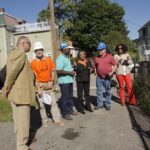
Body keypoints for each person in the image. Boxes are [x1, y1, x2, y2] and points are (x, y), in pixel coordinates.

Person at [2, 36, 35, 150]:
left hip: (16, 93)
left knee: (18, 121)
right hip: (21, 94)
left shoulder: (13, 54)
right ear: (23, 44)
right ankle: (22, 146)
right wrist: (5, 88)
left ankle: (21, 141)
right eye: (29, 43)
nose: (30, 45)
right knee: (24, 122)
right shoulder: (21, 54)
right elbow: (12, 73)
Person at [31, 42, 64, 127]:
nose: (38, 51)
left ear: (42, 50)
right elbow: (34, 77)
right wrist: (38, 88)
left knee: (53, 103)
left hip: (49, 84)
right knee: (41, 105)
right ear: (35, 52)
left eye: (40, 50)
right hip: (40, 85)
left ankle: (57, 119)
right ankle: (44, 121)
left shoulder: (49, 60)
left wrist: (52, 81)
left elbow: (53, 70)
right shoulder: (33, 63)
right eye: (36, 50)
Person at [56, 42, 78, 120]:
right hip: (64, 82)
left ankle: (70, 110)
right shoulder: (60, 58)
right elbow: (58, 71)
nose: (69, 50)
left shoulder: (67, 58)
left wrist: (72, 71)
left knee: (70, 97)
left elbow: (66, 69)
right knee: (65, 98)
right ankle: (65, 113)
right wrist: (70, 72)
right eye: (68, 48)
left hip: (69, 80)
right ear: (63, 49)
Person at [94, 42, 117, 110]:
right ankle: (100, 104)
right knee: (99, 91)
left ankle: (107, 104)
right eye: (98, 50)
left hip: (107, 77)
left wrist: (112, 72)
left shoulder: (110, 57)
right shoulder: (97, 58)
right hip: (99, 77)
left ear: (105, 49)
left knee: (108, 91)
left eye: (100, 50)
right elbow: (95, 65)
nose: (99, 51)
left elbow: (115, 65)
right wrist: (95, 71)